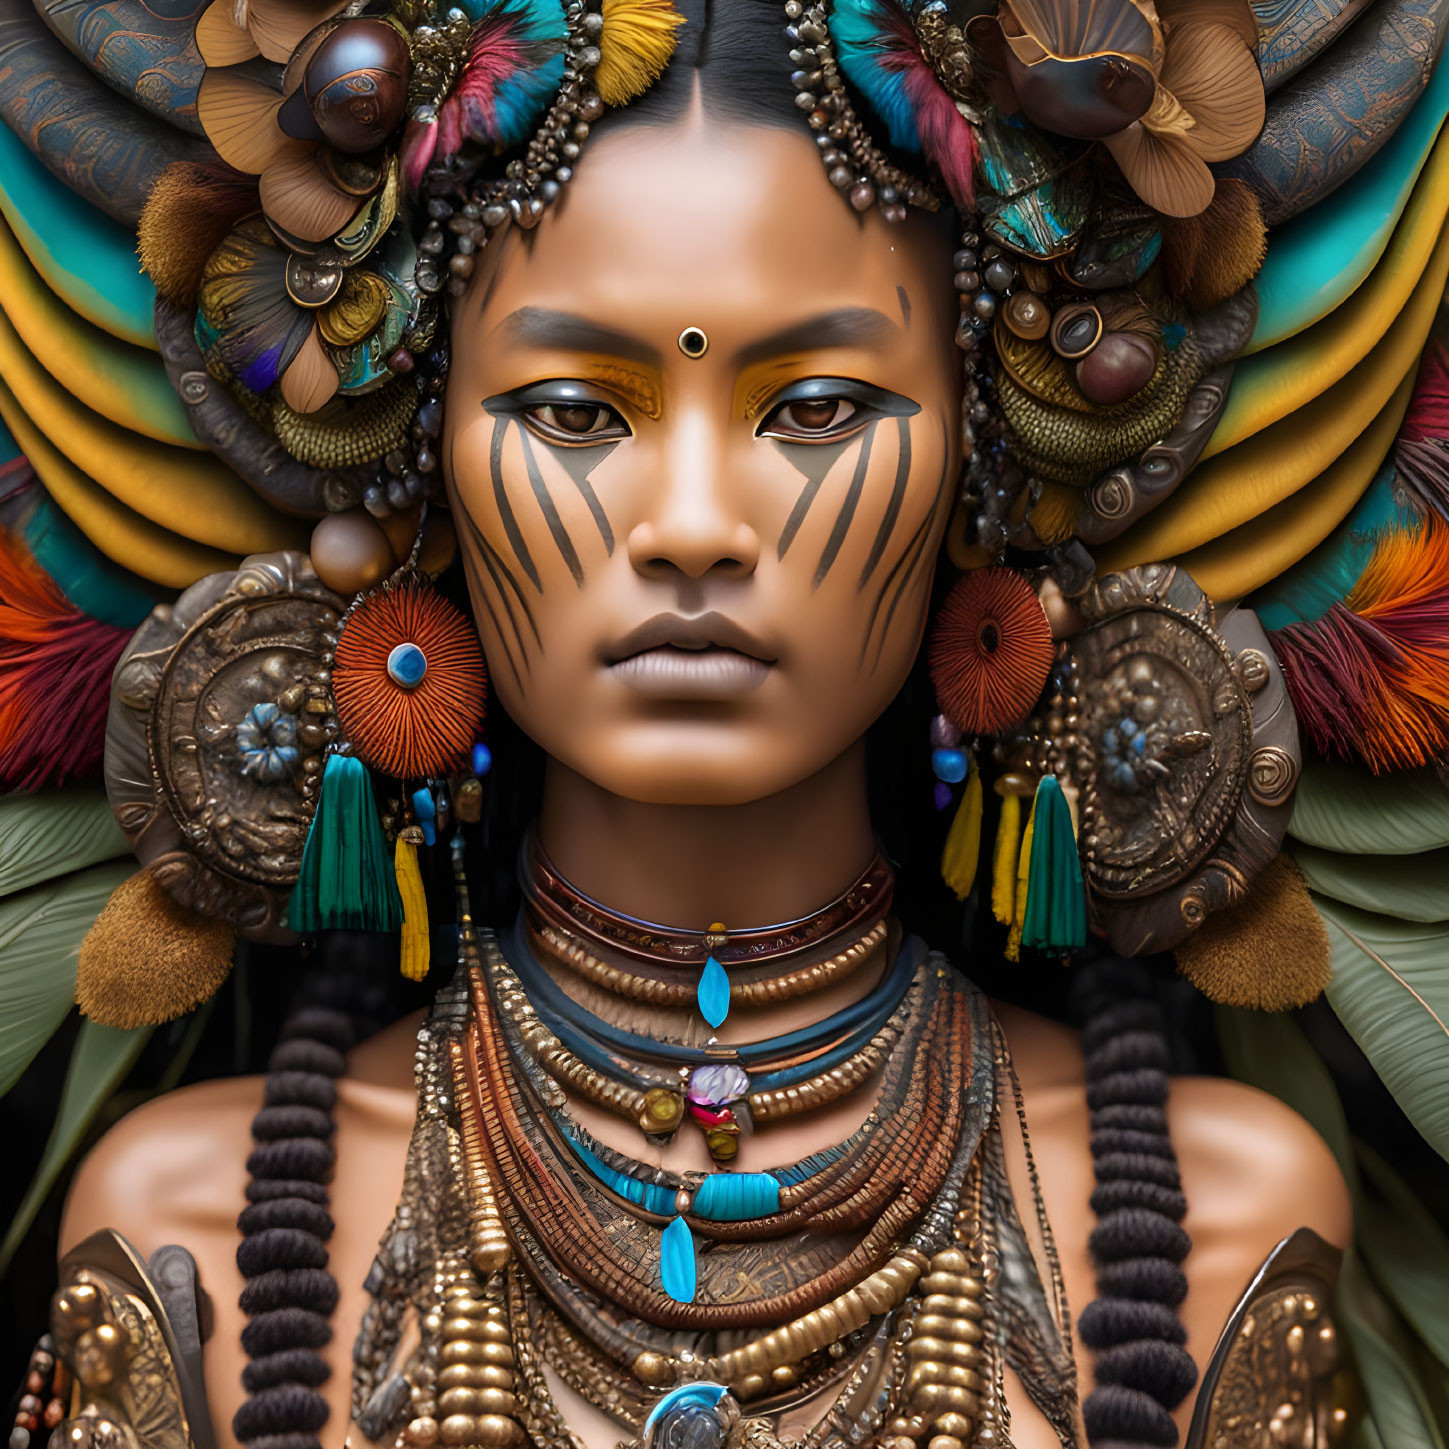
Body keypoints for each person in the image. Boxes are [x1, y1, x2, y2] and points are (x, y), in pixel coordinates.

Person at [1, 2, 1443, 1448]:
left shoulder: (1213, 1230)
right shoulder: (194, 1222)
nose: (692, 524)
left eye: (816, 406)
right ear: (413, 458)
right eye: (574, 411)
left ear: (989, 454)